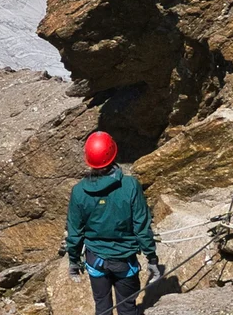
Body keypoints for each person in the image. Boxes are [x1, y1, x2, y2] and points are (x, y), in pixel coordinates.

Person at [64, 131, 162, 315]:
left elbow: (75, 232)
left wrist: (74, 261)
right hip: (124, 260)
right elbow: (141, 227)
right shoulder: (130, 185)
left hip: (95, 260)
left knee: (102, 307)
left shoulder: (78, 191)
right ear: (113, 154)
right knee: (127, 307)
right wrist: (152, 258)